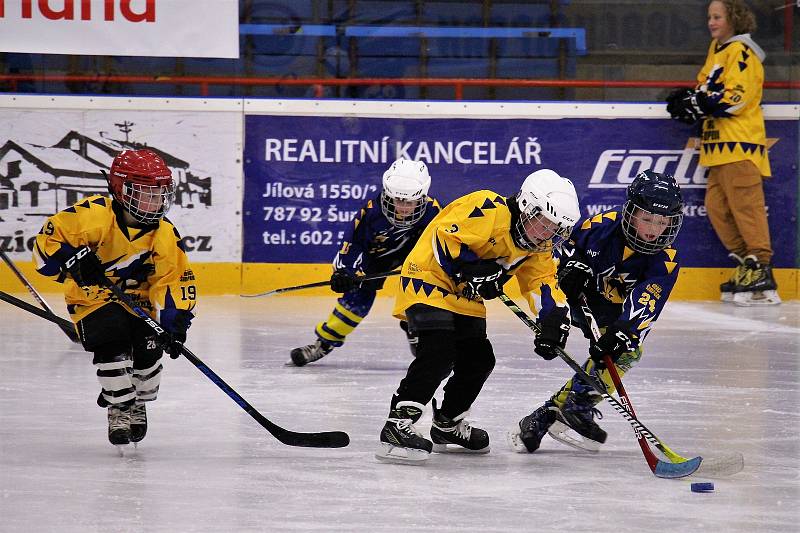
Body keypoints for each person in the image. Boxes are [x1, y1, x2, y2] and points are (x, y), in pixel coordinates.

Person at [375, 169, 581, 464]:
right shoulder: (488, 207)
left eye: (555, 229)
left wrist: (554, 320)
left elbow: (542, 284)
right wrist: (471, 269)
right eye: (543, 223)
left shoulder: (537, 249)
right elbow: (443, 236)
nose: (546, 234)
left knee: (480, 359)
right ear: (526, 206)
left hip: (466, 297)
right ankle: (398, 424)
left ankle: (447, 423)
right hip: (428, 280)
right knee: (440, 351)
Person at [508, 170, 684, 454]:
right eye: (647, 218)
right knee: (558, 336)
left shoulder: (667, 260)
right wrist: (569, 269)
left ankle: (558, 411)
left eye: (662, 222)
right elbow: (556, 254)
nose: (654, 229)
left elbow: (645, 305)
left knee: (625, 352)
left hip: (613, 314)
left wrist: (622, 333)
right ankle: (573, 406)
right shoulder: (599, 226)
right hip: (579, 300)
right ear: (630, 212)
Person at [32, 149, 196, 448]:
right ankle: (119, 406)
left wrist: (175, 324)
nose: (155, 200)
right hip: (93, 298)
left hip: (139, 300)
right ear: (121, 190)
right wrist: (74, 261)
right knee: (112, 344)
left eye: (160, 192)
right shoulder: (91, 216)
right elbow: (45, 250)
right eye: (146, 193)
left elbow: (173, 279)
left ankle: (137, 401)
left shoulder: (164, 233)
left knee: (149, 353)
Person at [665, 0, 778, 306]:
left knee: (746, 208)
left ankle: (761, 268)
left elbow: (737, 98)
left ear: (734, 18)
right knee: (717, 209)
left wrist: (701, 105)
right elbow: (706, 88)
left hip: (739, 145)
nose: (711, 22)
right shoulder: (718, 50)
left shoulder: (742, 51)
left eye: (717, 17)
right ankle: (749, 266)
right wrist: (692, 101)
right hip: (716, 150)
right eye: (709, 17)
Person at [289, 158, 442, 366]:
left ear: (421, 197)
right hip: (374, 259)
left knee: (423, 291)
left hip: (414, 257)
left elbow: (442, 245)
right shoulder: (372, 212)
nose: (403, 208)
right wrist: (344, 272)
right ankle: (324, 343)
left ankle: (416, 329)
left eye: (409, 202)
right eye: (397, 200)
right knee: (357, 299)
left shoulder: (434, 213)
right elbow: (352, 243)